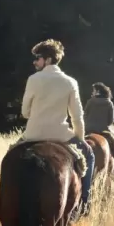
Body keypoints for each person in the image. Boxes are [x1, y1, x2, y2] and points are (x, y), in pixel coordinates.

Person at [19, 39, 95, 216]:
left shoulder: (33, 79)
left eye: (37, 58)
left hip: (32, 134)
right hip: (61, 135)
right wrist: (80, 138)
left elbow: (24, 112)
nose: (34, 62)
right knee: (89, 155)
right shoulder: (70, 82)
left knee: (9, 157)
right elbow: (77, 116)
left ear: (48, 59)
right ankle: (84, 203)